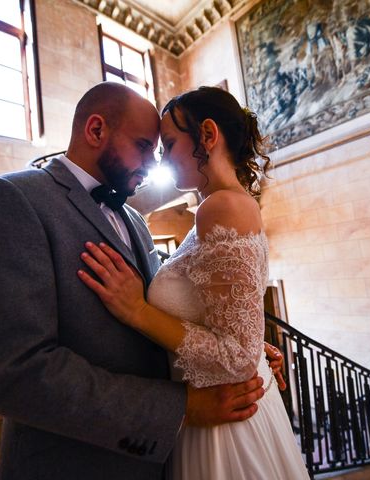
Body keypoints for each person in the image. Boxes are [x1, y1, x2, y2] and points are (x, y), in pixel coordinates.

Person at [0, 82, 280, 480]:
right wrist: (180, 408)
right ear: (95, 130)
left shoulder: (137, 223)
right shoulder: (6, 200)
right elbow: (16, 372)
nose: (152, 163)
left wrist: (237, 341)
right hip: (75, 464)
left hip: (162, 460)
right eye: (144, 146)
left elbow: (170, 309)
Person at [79, 86, 310, 479]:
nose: (162, 159)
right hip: (212, 406)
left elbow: (235, 355)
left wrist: (137, 309)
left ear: (207, 135)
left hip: (224, 426)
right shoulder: (220, 204)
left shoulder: (219, 207)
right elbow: (229, 317)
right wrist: (253, 341)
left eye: (168, 144)